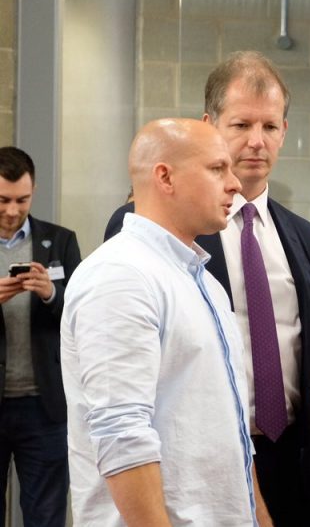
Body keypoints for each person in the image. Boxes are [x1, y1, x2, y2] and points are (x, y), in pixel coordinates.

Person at [103, 52, 310, 525]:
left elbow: (308, 343)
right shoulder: (159, 226)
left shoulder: (302, 234)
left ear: (285, 130)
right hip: (201, 458)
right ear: (209, 125)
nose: (256, 142)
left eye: (270, 126)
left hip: (291, 452)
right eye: (241, 124)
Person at [61, 118, 271, 524]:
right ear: (165, 177)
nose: (235, 185)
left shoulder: (206, 283)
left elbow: (231, 433)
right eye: (217, 169)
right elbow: (122, 435)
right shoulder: (121, 275)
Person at [0, 147, 80, 526]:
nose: (13, 211)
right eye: (2, 200)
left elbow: (83, 316)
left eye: (22, 199)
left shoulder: (60, 241)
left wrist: (51, 293)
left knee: (46, 515)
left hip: (45, 407)